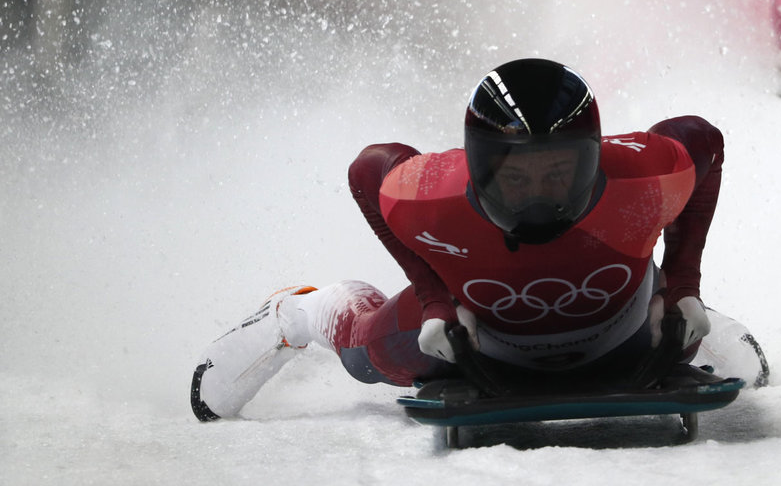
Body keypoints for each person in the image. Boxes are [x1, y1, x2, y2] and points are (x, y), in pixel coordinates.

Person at [190, 58, 724, 421]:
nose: (535, 197)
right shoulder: (428, 192)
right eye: (516, 178)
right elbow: (367, 169)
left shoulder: (644, 174)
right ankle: (300, 315)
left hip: (621, 318)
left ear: (592, 159)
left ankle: (703, 315)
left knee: (682, 332)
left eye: (556, 173)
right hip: (476, 332)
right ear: (479, 165)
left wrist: (683, 283)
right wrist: (434, 299)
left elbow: (704, 139)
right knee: (373, 354)